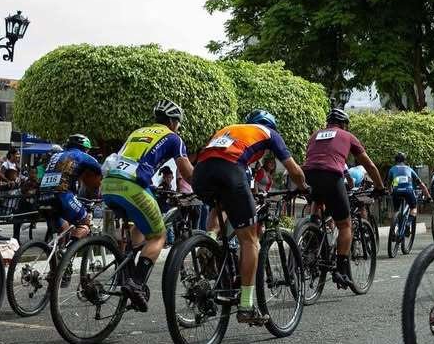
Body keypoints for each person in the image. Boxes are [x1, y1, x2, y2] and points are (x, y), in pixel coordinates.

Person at [193, 108, 308, 324]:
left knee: (220, 205)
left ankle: (209, 242)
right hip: (230, 170)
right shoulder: (269, 133)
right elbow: (294, 170)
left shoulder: (229, 129)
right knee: (250, 240)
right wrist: (304, 187)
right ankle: (246, 306)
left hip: (200, 173)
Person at [102, 99, 194, 311]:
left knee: (140, 226)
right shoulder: (173, 137)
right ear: (173, 122)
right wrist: (205, 187)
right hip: (132, 186)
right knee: (158, 235)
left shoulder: (137, 132)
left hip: (108, 184)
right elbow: (187, 172)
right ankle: (136, 283)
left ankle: (129, 263)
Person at [302, 108, 386, 289]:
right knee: (345, 224)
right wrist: (380, 187)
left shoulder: (315, 135)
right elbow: (369, 166)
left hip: (308, 175)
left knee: (318, 201)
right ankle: (340, 270)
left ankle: (311, 234)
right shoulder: (347, 136)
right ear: (344, 125)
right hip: (332, 176)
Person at [37, 134, 102, 237]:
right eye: (87, 150)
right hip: (62, 196)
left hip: (42, 196)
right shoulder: (82, 155)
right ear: (84, 148)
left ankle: (58, 247)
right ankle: (74, 247)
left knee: (64, 230)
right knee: (85, 223)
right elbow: (100, 170)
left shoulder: (56, 155)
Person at [388, 152, 428, 236]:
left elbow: (389, 184)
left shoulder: (392, 169)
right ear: (405, 160)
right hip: (408, 191)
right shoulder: (409, 169)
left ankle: (393, 230)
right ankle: (408, 223)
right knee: (413, 208)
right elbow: (421, 184)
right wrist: (428, 195)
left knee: (396, 210)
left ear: (395, 161)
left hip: (396, 191)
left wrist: (390, 191)